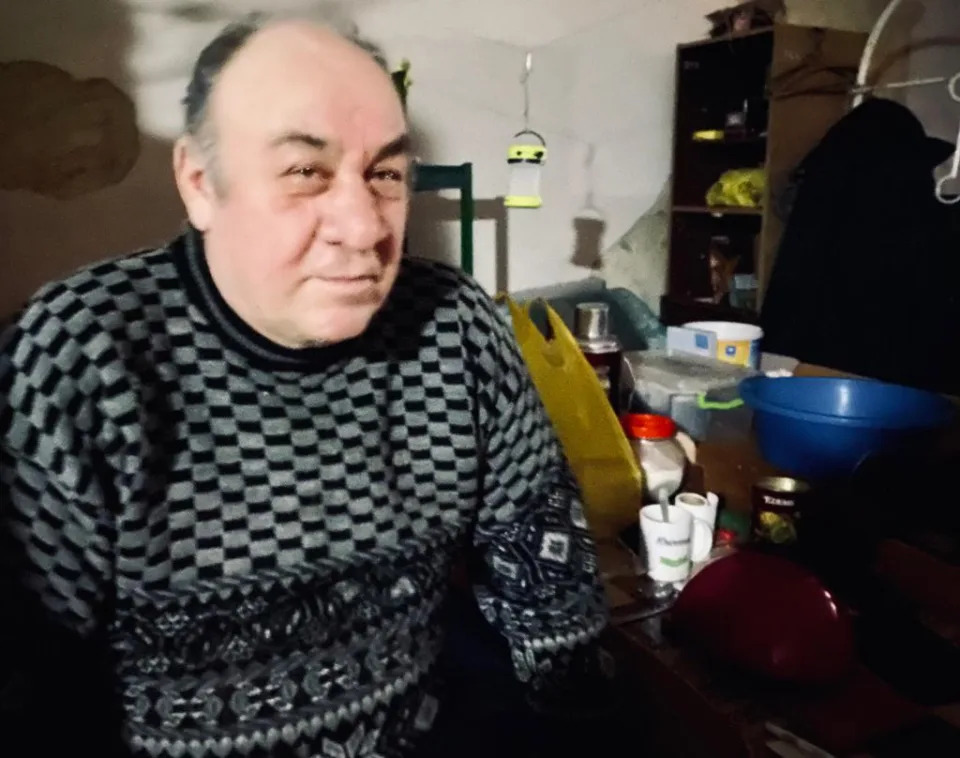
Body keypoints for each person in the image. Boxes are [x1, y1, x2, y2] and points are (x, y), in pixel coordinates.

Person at [0, 16, 608, 758]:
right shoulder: (85, 354)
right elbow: (27, 693)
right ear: (199, 183)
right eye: (304, 172)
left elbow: (550, 590)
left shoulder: (455, 325)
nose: (363, 228)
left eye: (386, 174)